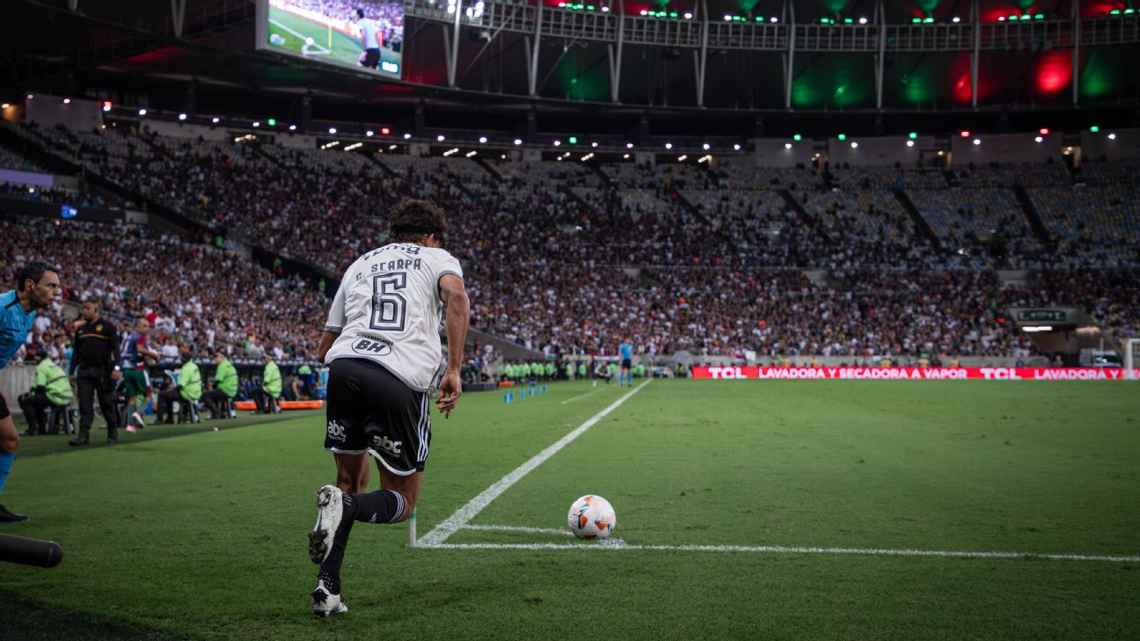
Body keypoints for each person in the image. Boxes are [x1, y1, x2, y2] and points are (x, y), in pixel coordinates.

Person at [308, 198, 470, 616]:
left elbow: (324, 344)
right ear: (432, 236)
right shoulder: (437, 257)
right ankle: (347, 510)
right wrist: (453, 368)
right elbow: (456, 297)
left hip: (344, 368)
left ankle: (327, 587)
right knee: (402, 500)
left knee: (346, 482)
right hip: (396, 376)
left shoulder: (359, 263)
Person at [0, 262, 61, 522]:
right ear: (30, 285)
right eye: (51, 285)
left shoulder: (29, 313)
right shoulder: (3, 307)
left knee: (9, 440)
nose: (56, 292)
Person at [68, 300, 121, 446]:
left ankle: (112, 434)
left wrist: (117, 369)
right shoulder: (81, 330)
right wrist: (71, 372)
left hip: (103, 370)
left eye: (87, 308)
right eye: (83, 308)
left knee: (106, 404)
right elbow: (76, 353)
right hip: (84, 372)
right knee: (85, 404)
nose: (84, 311)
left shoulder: (108, 327)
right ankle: (83, 436)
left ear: (96, 310)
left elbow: (116, 350)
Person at [19, 354, 73, 436]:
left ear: (39, 358)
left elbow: (40, 387)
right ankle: (41, 429)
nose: (35, 361)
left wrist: (30, 393)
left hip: (56, 396)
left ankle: (32, 429)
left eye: (36, 358)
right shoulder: (54, 365)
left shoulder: (41, 366)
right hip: (67, 396)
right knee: (37, 401)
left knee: (26, 401)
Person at [156, 346, 202, 424]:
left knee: (162, 394)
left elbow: (181, 385)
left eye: (181, 358)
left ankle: (161, 419)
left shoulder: (186, 368)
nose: (180, 360)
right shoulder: (194, 365)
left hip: (187, 393)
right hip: (197, 392)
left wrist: (171, 389)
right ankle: (170, 418)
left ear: (184, 359)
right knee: (168, 394)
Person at [202, 353, 237, 420]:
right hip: (232, 390)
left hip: (226, 390)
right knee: (214, 393)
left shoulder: (222, 366)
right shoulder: (230, 364)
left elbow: (218, 380)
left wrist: (210, 385)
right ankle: (222, 413)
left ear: (221, 358)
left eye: (216, 358)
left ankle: (216, 413)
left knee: (205, 395)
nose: (215, 360)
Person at [121, 360, 150, 433]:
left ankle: (130, 426)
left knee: (132, 399)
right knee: (147, 397)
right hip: (139, 371)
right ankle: (138, 413)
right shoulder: (140, 349)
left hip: (126, 371)